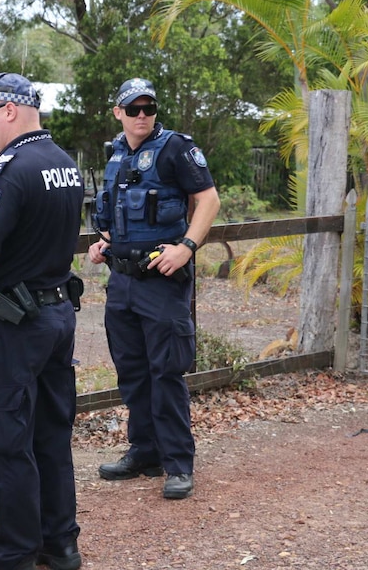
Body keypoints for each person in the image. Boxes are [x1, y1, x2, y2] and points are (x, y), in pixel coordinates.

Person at [0, 73, 84, 570]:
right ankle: (59, 543)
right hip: (56, 315)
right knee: (50, 434)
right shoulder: (65, 164)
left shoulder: (10, 169)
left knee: (2, 437)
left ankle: (12, 554)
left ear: (8, 110)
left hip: (14, 325)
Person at [88, 78, 220, 500]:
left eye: (148, 108)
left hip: (162, 282)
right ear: (118, 112)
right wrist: (105, 243)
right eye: (133, 109)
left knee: (166, 373)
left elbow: (209, 199)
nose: (142, 115)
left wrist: (187, 247)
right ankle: (145, 452)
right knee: (133, 373)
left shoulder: (176, 148)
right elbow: (120, 216)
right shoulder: (116, 155)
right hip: (122, 281)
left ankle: (178, 463)